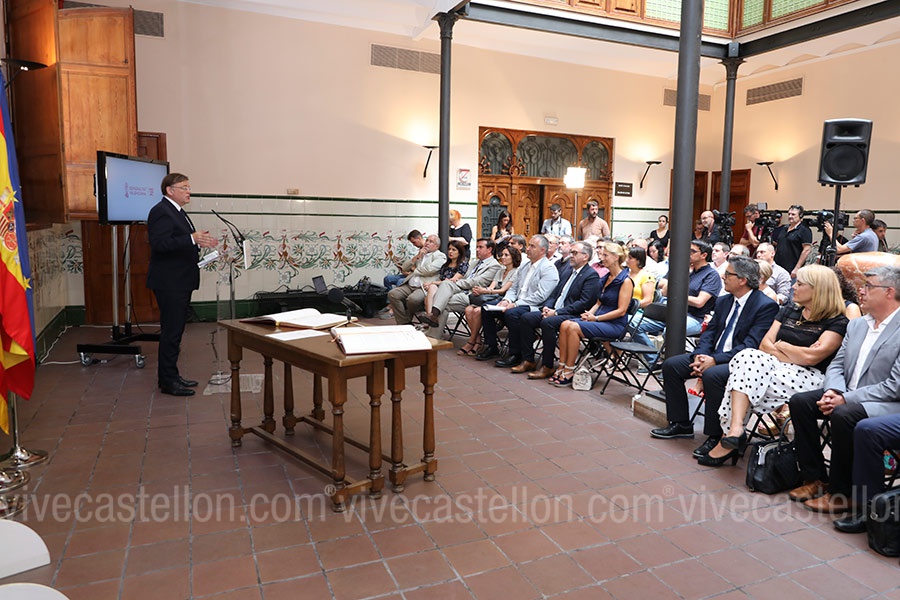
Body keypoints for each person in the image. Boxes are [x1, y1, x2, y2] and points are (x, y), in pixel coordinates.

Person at [700, 265, 848, 467]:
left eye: (800, 284)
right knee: (748, 356)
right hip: (771, 367)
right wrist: (796, 352)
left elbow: (811, 359)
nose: (793, 287)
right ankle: (735, 428)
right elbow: (764, 345)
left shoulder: (837, 321)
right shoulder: (790, 310)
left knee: (740, 383)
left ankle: (731, 436)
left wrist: (782, 345)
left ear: (818, 289)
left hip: (808, 377)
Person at [787, 265, 900, 514]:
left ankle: (841, 492)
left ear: (889, 292)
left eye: (868, 286)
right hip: (847, 393)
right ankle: (815, 478)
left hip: (886, 403)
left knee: (843, 414)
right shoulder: (857, 324)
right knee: (801, 402)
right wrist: (834, 392)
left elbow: (894, 386)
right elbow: (837, 364)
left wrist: (845, 399)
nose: (861, 291)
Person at [650, 256, 778, 457]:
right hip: (711, 355)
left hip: (740, 363)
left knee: (713, 376)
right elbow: (709, 332)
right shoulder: (724, 300)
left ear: (742, 280)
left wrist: (715, 360)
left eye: (728, 274)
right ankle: (681, 423)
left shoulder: (765, 306)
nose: (723, 277)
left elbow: (751, 345)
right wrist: (701, 354)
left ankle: (715, 436)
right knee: (671, 365)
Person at [147, 173, 218, 397]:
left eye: (189, 187)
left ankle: (172, 375)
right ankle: (168, 381)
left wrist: (198, 241)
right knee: (171, 332)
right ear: (170, 190)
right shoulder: (161, 211)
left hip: (180, 280)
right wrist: (191, 239)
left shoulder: (177, 211)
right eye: (184, 187)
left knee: (176, 331)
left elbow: (179, 241)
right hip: (170, 282)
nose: (189, 191)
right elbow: (159, 244)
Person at [504, 241, 600, 377]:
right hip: (555, 310)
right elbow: (555, 293)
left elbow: (584, 303)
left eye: (574, 253)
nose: (571, 256)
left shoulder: (591, 275)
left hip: (573, 314)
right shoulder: (568, 271)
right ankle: (528, 359)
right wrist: (547, 307)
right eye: (571, 252)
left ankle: (547, 365)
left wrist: (556, 312)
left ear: (585, 256)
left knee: (547, 323)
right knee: (526, 318)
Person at [550, 242, 633, 387]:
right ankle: (561, 366)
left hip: (614, 324)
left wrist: (596, 318)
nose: (602, 258)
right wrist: (589, 314)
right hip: (599, 320)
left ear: (616, 257)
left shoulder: (625, 281)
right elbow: (599, 303)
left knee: (573, 327)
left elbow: (621, 311)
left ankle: (569, 370)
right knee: (564, 324)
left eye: (606, 255)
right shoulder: (606, 277)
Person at [632, 240, 722, 361]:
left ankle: (671, 364)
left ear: (704, 255)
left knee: (670, 331)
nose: (688, 253)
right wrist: (679, 271)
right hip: (672, 313)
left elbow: (699, 302)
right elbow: (665, 292)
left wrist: (676, 296)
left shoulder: (711, 275)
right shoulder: (687, 271)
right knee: (634, 323)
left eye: (692, 251)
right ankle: (654, 359)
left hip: (695, 318)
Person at [476, 235, 559, 362]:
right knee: (487, 308)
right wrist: (506, 300)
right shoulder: (524, 265)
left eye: (532, 246)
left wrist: (515, 304)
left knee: (512, 313)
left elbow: (541, 296)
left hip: (534, 306)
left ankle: (515, 353)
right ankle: (491, 346)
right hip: (516, 302)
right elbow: (513, 288)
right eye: (529, 245)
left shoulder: (548, 268)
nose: (528, 249)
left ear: (542, 250)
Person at [416, 238, 502, 338]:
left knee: (442, 301)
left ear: (489, 249)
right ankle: (433, 323)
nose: (477, 249)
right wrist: (454, 282)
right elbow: (465, 277)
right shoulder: (475, 262)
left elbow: (477, 281)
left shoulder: (494, 265)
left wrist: (456, 282)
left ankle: (433, 333)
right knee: (444, 291)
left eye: (480, 247)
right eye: (476, 247)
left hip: (473, 294)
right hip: (462, 290)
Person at [458, 246, 519, 356]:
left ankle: (472, 342)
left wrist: (485, 291)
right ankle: (477, 340)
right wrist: (481, 291)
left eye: (506, 255)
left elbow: (503, 290)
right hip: (491, 298)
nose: (502, 257)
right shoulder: (501, 270)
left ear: (513, 257)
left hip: (504, 300)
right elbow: (492, 287)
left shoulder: (516, 272)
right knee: (468, 309)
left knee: (478, 311)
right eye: (502, 255)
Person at [387, 234, 446, 324]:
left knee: (413, 300)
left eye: (431, 242)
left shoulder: (440, 256)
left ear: (436, 246)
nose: (427, 243)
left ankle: (407, 318)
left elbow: (429, 269)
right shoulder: (421, 254)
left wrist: (414, 270)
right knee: (392, 294)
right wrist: (417, 257)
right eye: (427, 240)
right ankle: (404, 322)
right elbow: (404, 268)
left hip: (422, 286)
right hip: (409, 285)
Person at [421, 240, 468, 318]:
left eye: (453, 250)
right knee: (431, 288)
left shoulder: (463, 264)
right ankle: (431, 316)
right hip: (441, 287)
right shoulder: (445, 265)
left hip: (454, 288)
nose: (450, 252)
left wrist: (432, 283)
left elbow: (452, 281)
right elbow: (440, 280)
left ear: (459, 252)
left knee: (431, 290)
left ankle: (430, 317)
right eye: (449, 249)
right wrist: (431, 284)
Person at [772, 205, 813, 279]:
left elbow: (806, 250)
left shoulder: (804, 230)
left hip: (792, 269)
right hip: (778, 267)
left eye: (793, 214)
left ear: (800, 216)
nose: (790, 216)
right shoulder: (784, 228)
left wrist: (797, 268)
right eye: (789, 214)